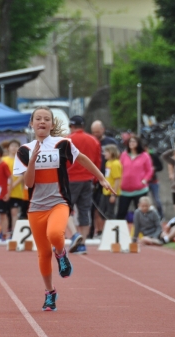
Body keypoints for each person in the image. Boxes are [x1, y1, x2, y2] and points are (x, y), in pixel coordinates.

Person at [13, 107, 113, 312]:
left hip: (59, 201)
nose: (42, 121)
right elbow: (28, 183)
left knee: (55, 234)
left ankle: (61, 253)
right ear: (31, 123)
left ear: (52, 124)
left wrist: (101, 178)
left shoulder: (62, 144)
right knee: (43, 253)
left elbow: (83, 158)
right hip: (36, 207)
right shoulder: (24, 150)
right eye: (38, 118)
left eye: (46, 119)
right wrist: (32, 162)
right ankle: (50, 292)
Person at [65, 115, 101, 252]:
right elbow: (97, 162)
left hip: (71, 179)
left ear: (71, 126)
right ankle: (82, 244)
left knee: (63, 209)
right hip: (88, 179)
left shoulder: (67, 140)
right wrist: (96, 179)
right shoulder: (94, 140)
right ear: (84, 126)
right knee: (84, 211)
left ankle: (75, 235)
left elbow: (62, 161)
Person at [117, 135, 154, 220]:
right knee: (121, 213)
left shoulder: (145, 155)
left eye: (134, 141)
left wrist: (144, 180)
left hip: (140, 190)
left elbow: (149, 170)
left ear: (138, 143)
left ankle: (142, 228)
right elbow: (119, 169)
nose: (132, 143)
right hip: (124, 190)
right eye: (130, 141)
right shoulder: (124, 155)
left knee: (141, 214)